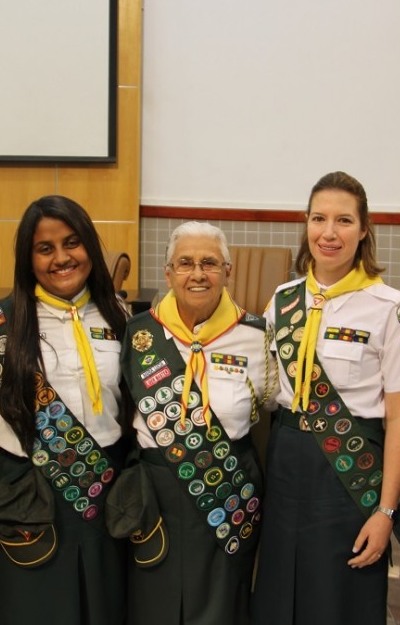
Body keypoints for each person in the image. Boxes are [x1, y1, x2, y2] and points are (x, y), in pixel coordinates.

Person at [251, 171, 400, 624]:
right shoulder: (282, 300)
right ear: (305, 224)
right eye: (318, 218)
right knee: (280, 587)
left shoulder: (391, 308)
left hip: (350, 469)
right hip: (286, 460)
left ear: (364, 230)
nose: (329, 233)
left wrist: (386, 510)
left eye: (344, 220)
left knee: (340, 594)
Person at [0, 195, 130, 625]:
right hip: (28, 492)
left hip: (106, 485)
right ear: (29, 258)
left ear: (90, 248)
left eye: (72, 243)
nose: (62, 258)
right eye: (45, 248)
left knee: (104, 608)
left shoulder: (121, 317)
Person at [119, 221, 276, 625]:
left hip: (228, 489)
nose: (198, 273)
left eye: (210, 262)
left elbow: (270, 407)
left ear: (228, 270)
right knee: (154, 603)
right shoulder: (137, 335)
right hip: (156, 494)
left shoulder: (257, 336)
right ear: (168, 272)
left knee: (222, 605)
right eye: (185, 263)